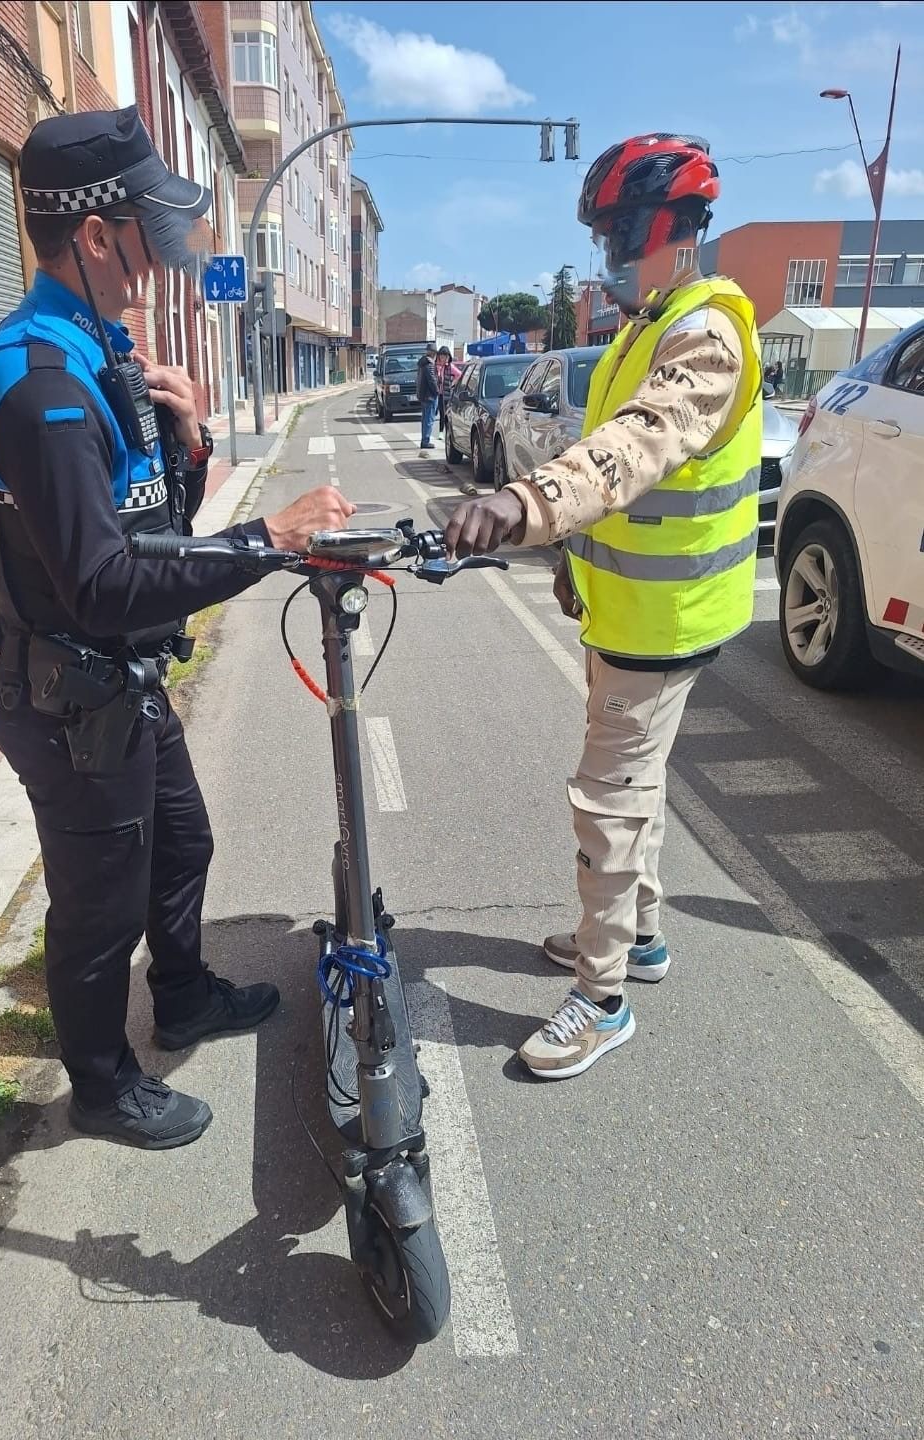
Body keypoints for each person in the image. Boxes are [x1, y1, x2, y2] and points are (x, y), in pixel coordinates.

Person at [0, 106, 354, 1149]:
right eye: (145, 233)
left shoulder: (97, 350)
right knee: (95, 911)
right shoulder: (38, 382)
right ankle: (100, 1085)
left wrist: (188, 446)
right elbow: (99, 583)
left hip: (121, 686)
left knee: (182, 841)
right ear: (94, 234)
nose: (159, 261)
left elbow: (150, 529)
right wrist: (267, 539)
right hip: (73, 696)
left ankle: (179, 993)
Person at [444, 133, 761, 1080]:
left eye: (618, 233)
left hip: (666, 625)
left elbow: (641, 445)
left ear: (671, 229)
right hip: (624, 612)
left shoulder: (704, 334)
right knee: (637, 789)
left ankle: (605, 996)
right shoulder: (647, 322)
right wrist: (574, 560)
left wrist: (522, 504)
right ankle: (644, 941)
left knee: (608, 801)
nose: (608, 257)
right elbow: (627, 494)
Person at [416, 342, 439, 450]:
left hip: (423, 395)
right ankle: (425, 440)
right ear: (433, 353)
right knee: (429, 419)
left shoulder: (422, 363)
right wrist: (437, 391)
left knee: (425, 419)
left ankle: (424, 439)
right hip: (430, 396)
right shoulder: (429, 364)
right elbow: (432, 380)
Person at [435, 346, 460, 434]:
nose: (443, 358)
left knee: (445, 413)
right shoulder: (436, 366)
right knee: (438, 413)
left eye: (445, 356)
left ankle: (444, 431)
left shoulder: (450, 367)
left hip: (445, 393)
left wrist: (452, 383)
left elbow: (459, 374)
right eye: (441, 356)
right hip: (436, 393)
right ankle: (441, 431)